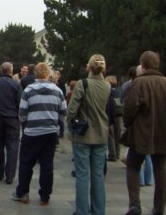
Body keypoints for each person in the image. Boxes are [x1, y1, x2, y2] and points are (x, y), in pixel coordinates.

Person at [121, 51, 166, 215]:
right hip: (163, 133)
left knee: (132, 166)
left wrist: (129, 124)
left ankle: (135, 205)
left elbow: (129, 109)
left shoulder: (138, 84)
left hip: (142, 133)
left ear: (143, 65)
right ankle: (159, 208)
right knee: (160, 169)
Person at [12, 62, 67, 205]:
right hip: (50, 132)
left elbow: (22, 113)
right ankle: (45, 196)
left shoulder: (28, 90)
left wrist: (27, 123)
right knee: (47, 165)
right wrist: (53, 121)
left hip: (32, 132)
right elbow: (63, 112)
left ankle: (23, 193)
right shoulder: (57, 90)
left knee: (26, 163)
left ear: (35, 74)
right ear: (48, 74)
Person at [67, 54, 110, 215]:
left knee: (82, 175)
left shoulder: (82, 84)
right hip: (101, 133)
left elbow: (72, 110)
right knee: (98, 175)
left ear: (89, 67)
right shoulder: (106, 85)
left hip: (83, 134)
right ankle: (99, 210)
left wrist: (70, 124)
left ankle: (82, 211)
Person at [0, 62, 22, 184]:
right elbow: (20, 103)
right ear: (11, 71)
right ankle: (10, 175)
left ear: (1, 71)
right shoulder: (16, 85)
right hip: (12, 118)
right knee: (13, 145)